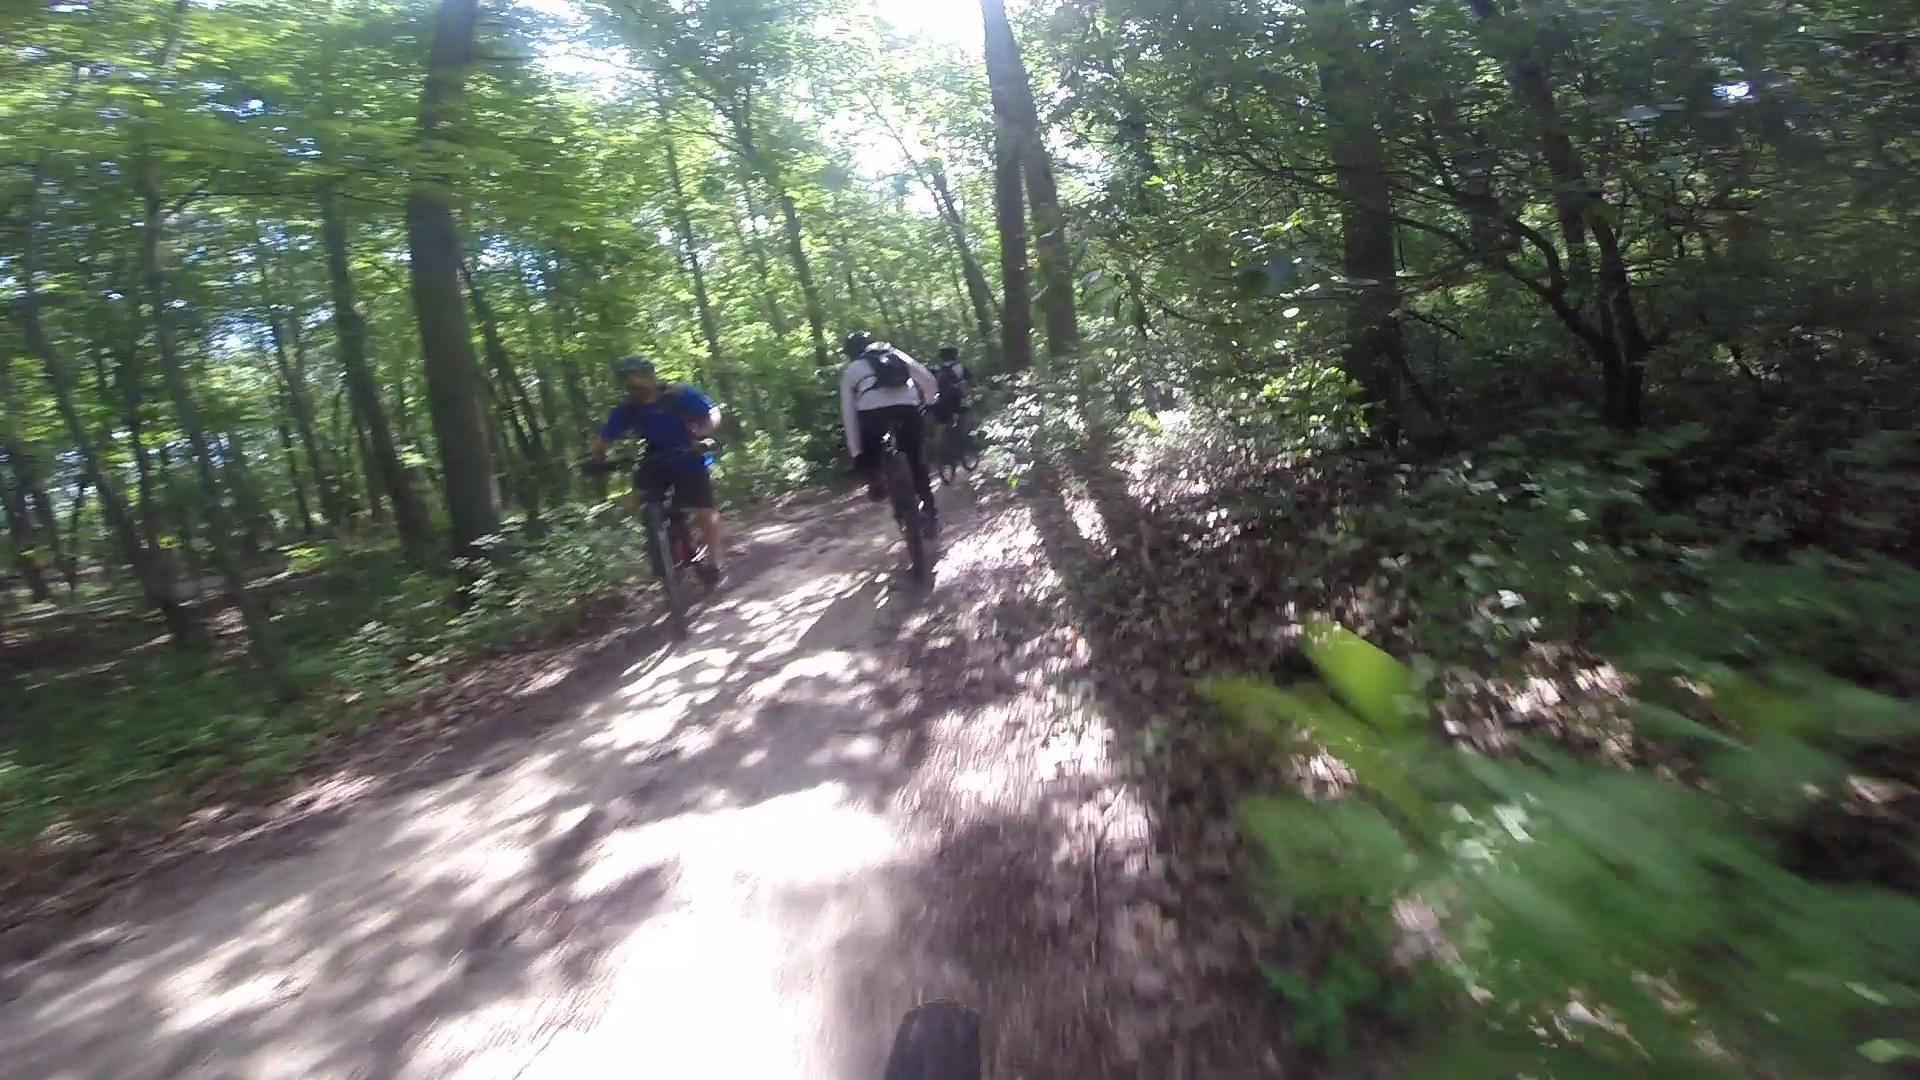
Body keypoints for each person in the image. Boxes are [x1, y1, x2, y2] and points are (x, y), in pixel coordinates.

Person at [590, 355, 727, 581]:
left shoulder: (678, 395)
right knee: (638, 500)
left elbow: (712, 411)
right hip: (655, 458)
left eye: (636, 378)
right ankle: (661, 546)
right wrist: (597, 460)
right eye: (627, 381)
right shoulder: (628, 409)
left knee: (704, 509)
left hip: (687, 453)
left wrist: (705, 431)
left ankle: (714, 563)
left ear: (650, 376)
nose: (632, 385)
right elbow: (603, 439)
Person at [837, 330, 941, 537]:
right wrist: (930, 402)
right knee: (916, 461)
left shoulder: (852, 370)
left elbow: (848, 413)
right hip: (907, 410)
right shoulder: (894, 354)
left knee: (871, 454)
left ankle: (876, 481)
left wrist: (857, 453)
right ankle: (930, 513)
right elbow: (928, 379)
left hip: (872, 416)